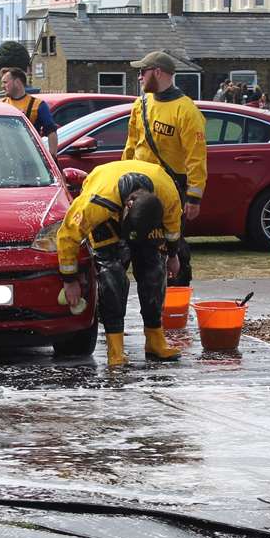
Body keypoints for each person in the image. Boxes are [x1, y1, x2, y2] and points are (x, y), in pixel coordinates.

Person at [56, 160, 184, 366]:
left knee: (154, 271)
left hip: (143, 216)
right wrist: (70, 280)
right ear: (128, 206)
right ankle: (115, 350)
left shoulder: (168, 195)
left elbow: (173, 226)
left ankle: (155, 340)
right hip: (107, 217)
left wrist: (172, 254)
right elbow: (67, 236)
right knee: (112, 276)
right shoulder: (95, 204)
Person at [122, 50, 206, 286]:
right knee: (133, 242)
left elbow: (196, 157)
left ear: (157, 72)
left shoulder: (185, 110)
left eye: (142, 72)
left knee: (171, 242)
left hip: (170, 187)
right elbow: (131, 143)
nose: (139, 77)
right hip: (138, 186)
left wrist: (194, 197)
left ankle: (176, 289)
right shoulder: (141, 104)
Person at [0, 67, 58, 158]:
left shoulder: (37, 105)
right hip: (4, 158)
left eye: (5, 82)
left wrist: (53, 157)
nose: (2, 86)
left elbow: (51, 132)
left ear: (17, 82)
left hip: (29, 159)